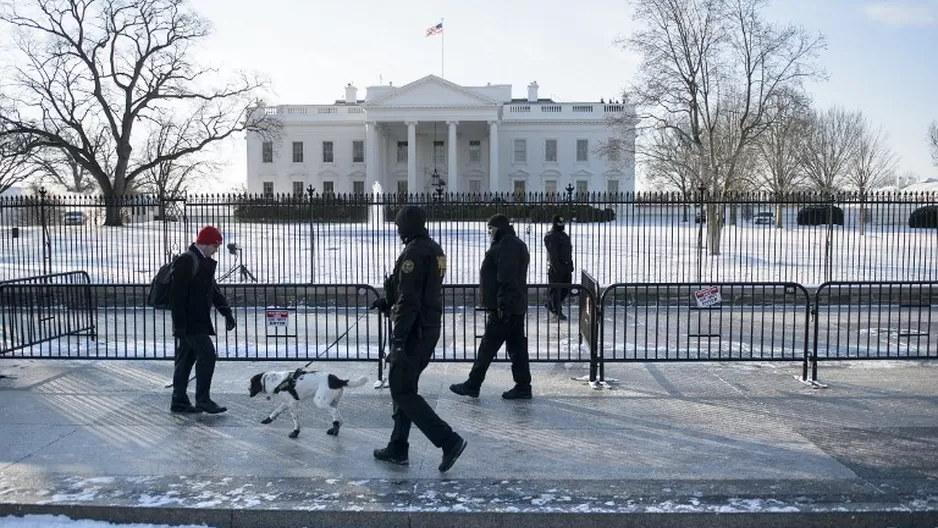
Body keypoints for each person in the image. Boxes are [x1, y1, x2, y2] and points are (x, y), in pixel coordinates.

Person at [371, 206, 467, 472]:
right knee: (404, 389)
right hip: (428, 326)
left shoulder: (413, 252)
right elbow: (421, 289)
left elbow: (410, 299)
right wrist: (387, 300)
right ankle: (398, 447)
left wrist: (399, 340)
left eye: (399, 225)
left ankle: (448, 441)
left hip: (415, 332)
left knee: (401, 389)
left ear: (407, 226)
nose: (398, 230)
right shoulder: (435, 249)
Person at [450, 214, 532, 400]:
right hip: (513, 305)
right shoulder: (511, 243)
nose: (489, 232)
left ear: (498, 228)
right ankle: (523, 386)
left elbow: (507, 277)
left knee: (488, 347)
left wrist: (503, 305)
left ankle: (473, 384)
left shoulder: (507, 245)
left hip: (505, 307)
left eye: (491, 228)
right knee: (517, 347)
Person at [169, 225, 236, 414]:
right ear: (206, 243)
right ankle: (203, 400)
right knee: (207, 355)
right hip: (190, 321)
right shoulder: (187, 260)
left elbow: (212, 291)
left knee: (186, 359)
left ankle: (179, 401)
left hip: (197, 319)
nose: (216, 251)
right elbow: (176, 296)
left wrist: (226, 312)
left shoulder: (202, 260)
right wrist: (180, 325)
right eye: (215, 246)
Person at [543, 214, 574, 320]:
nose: (562, 224)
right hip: (556, 268)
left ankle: (551, 305)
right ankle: (556, 310)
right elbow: (553, 254)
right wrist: (557, 268)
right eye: (559, 222)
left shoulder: (564, 236)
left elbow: (569, 251)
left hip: (566, 266)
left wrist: (570, 265)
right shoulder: (550, 236)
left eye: (562, 222)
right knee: (556, 291)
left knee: (566, 289)